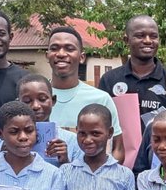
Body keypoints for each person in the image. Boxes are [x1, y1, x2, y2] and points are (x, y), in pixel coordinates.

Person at [46, 25, 124, 162]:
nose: (61, 54)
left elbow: (117, 149)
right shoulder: (33, 99)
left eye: (69, 49)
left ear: (82, 57)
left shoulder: (100, 99)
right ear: (47, 56)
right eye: (54, 48)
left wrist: (104, 175)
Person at [98, 14, 166, 118]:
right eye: (140, 36)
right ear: (126, 40)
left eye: (153, 36)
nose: (148, 41)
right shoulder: (109, 80)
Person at [17, 73, 82, 165]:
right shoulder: (12, 141)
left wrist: (65, 161)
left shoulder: (72, 141)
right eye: (27, 101)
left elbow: (79, 177)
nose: (35, 106)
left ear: (53, 100)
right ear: (18, 103)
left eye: (42, 99)